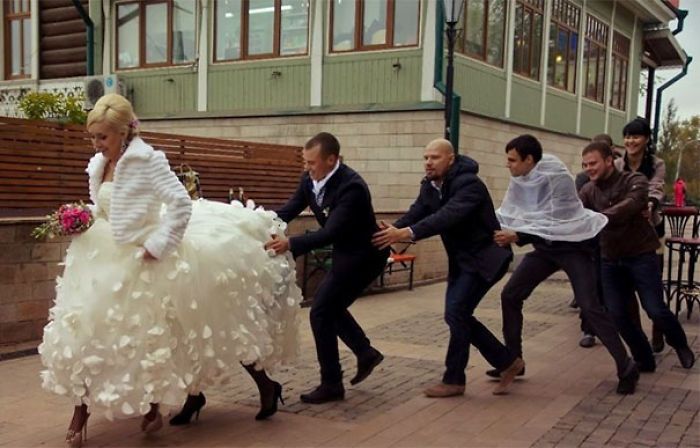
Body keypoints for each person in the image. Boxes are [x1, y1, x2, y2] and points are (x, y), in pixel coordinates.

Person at [39, 94, 301, 448]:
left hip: (147, 261)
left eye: (102, 137)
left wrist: (157, 244)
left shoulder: (148, 161)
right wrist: (82, 217)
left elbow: (180, 204)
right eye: (93, 137)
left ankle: (256, 388)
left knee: (185, 336)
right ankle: (91, 412)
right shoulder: (100, 163)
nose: (96, 144)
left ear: (123, 132)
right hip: (103, 260)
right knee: (91, 335)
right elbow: (106, 207)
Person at [371, 139, 523, 397]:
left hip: (485, 260)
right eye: (426, 157)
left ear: (451, 159)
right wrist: (390, 231)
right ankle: (506, 362)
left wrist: (406, 233)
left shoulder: (470, 185)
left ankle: (457, 379)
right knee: (458, 315)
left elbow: (446, 216)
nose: (428, 162)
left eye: (435, 157)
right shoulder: (430, 186)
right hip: (462, 262)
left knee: (456, 312)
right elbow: (417, 212)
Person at [492, 134, 639, 395]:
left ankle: (626, 366)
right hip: (545, 249)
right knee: (510, 295)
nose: (508, 165)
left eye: (512, 160)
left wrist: (519, 235)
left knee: (590, 306)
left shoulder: (556, 177)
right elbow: (516, 211)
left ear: (529, 160)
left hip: (573, 248)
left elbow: (555, 221)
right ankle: (513, 361)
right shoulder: (521, 178)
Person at [265, 132, 387, 404]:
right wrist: (254, 220)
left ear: (332, 160)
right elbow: (288, 210)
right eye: (305, 162)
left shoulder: (351, 187)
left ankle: (332, 383)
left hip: (366, 255)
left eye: (312, 163)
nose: (307, 168)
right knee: (329, 307)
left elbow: (330, 232)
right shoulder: (309, 180)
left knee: (321, 310)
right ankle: (365, 353)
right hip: (346, 253)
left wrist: (290, 244)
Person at [579, 141, 695, 371]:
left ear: (609, 160)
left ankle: (680, 343)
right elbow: (574, 213)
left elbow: (632, 204)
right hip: (610, 259)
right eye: (585, 165)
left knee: (654, 308)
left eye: (593, 163)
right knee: (618, 314)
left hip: (640, 255)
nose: (588, 168)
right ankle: (643, 358)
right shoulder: (588, 191)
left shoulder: (634, 180)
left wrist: (599, 217)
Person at [617, 118, 666, 353]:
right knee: (626, 290)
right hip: (624, 233)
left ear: (646, 139)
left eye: (636, 136)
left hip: (651, 231)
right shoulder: (617, 165)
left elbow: (656, 188)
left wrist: (649, 204)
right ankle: (639, 341)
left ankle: (659, 330)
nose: (630, 141)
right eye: (627, 136)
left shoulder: (657, 164)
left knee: (651, 287)